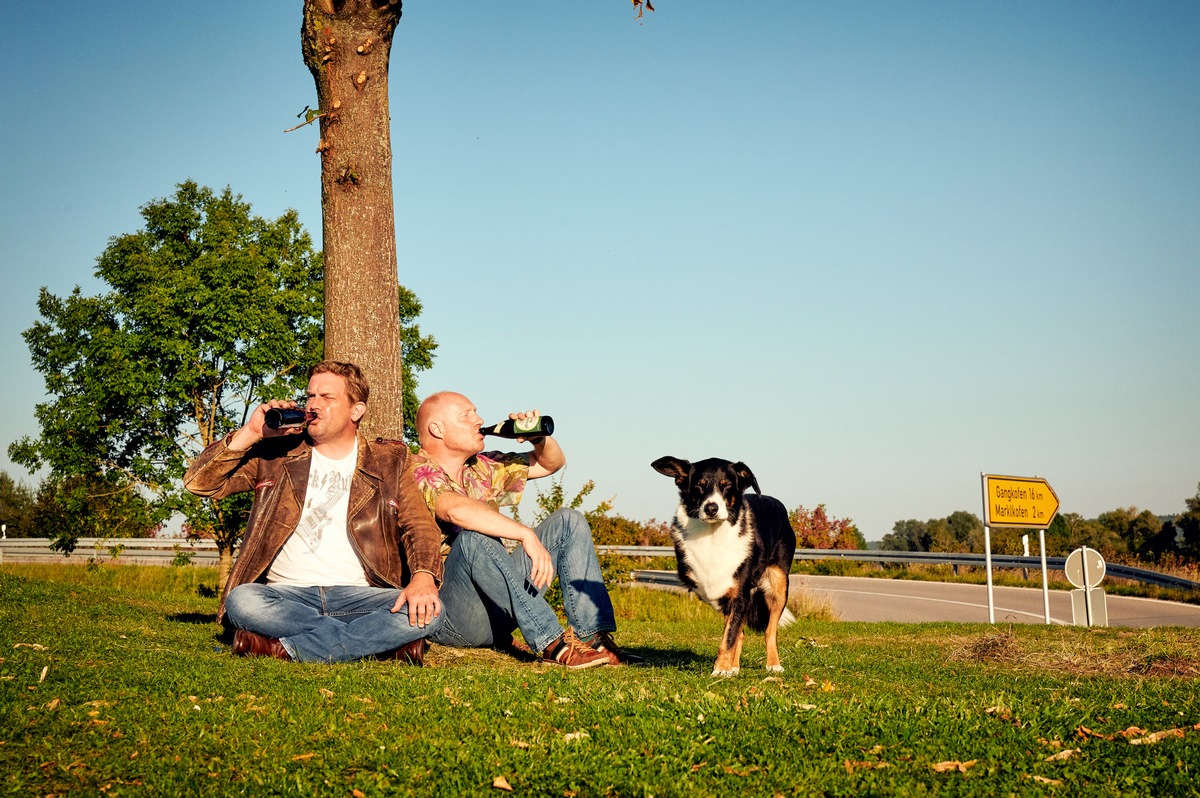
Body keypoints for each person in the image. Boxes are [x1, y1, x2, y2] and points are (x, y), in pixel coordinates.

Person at [184, 361, 444, 664]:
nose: (314, 405)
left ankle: (281, 648)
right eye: (311, 396)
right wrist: (252, 433)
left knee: (433, 612)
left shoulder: (390, 461)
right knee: (242, 601)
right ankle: (377, 643)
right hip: (284, 595)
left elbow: (420, 526)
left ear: (356, 410)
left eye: (327, 397)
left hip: (360, 596)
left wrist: (424, 578)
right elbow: (199, 484)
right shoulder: (277, 453)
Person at [411, 391, 643, 669]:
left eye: (476, 412)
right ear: (437, 429)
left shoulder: (483, 466)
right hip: (453, 616)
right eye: (467, 414)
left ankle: (594, 639)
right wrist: (525, 533)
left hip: (498, 604)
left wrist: (538, 439)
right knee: (473, 538)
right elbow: (453, 509)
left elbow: (551, 463)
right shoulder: (415, 467)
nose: (479, 420)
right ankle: (552, 644)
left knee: (568, 521)